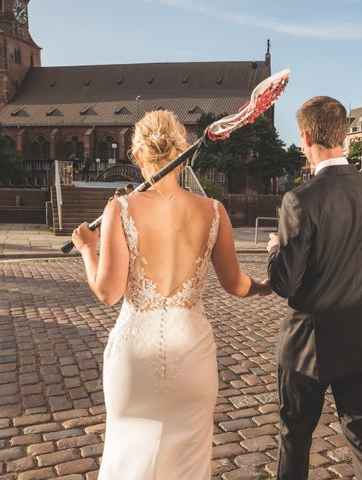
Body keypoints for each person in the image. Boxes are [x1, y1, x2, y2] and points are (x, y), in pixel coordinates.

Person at [72, 110, 271, 480]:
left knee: (128, 457)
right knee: (188, 463)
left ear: (136, 157)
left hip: (135, 357)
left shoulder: (121, 208)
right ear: (183, 153)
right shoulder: (213, 211)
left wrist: (87, 248)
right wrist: (263, 285)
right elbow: (236, 284)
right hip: (191, 352)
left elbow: (107, 292)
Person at [266, 96, 362, 480]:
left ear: (306, 137)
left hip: (310, 343)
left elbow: (284, 282)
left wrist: (275, 250)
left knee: (295, 435)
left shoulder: (299, 200)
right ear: (344, 137)